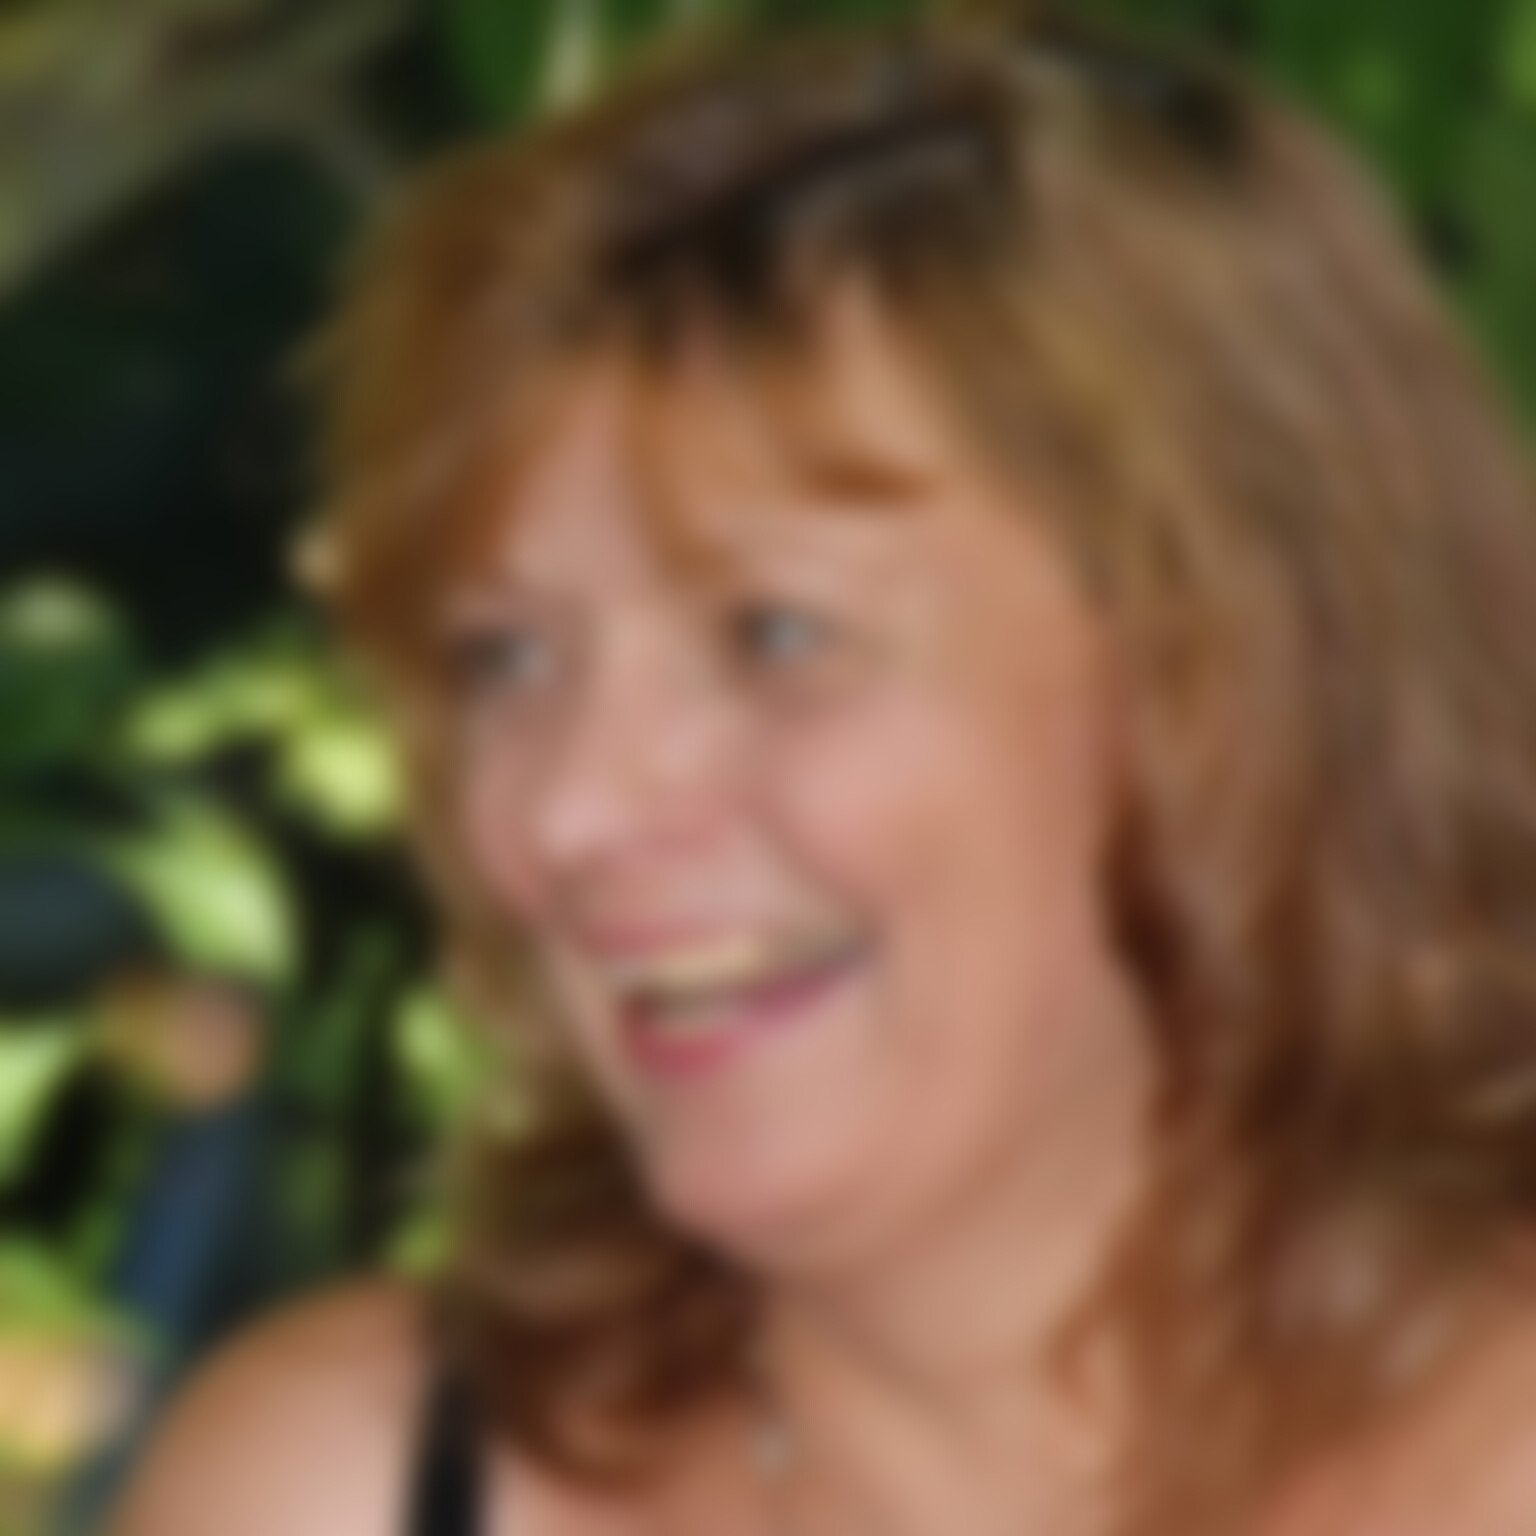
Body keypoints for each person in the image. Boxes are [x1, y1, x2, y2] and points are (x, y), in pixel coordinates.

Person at [110, 4, 1536, 1534]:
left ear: (1225, 680)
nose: (573, 810)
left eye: (776, 636)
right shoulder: (348, 1488)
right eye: (509, 660)